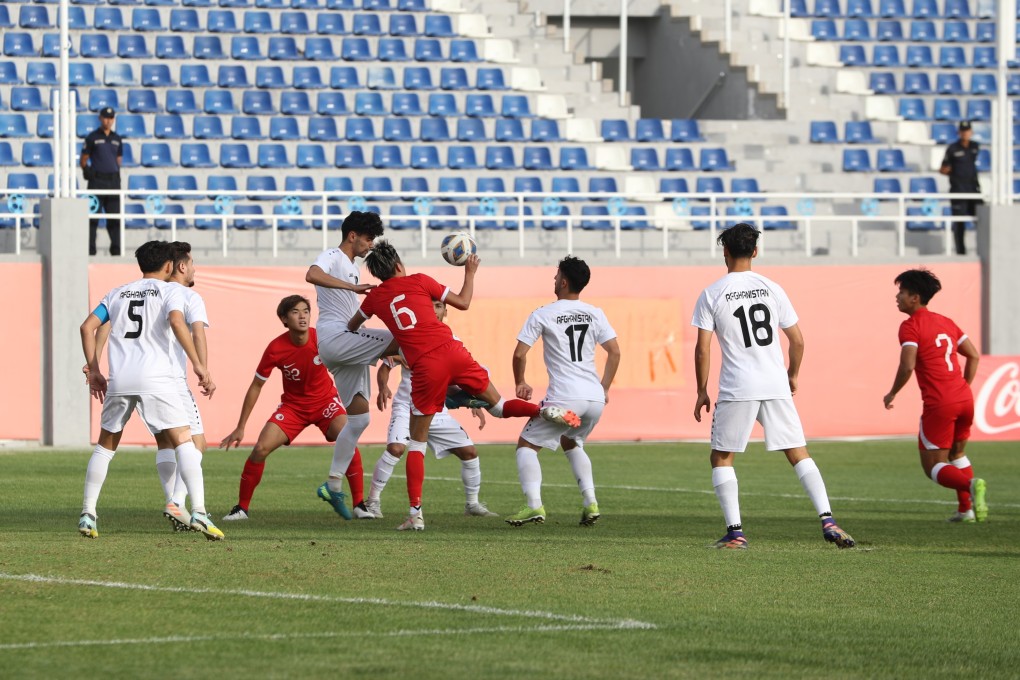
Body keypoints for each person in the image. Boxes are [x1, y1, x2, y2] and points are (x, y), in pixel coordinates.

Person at [349, 239, 579, 531]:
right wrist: (469, 273)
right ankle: (546, 410)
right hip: (453, 350)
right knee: (499, 406)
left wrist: (383, 321)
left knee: (417, 444)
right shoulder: (420, 280)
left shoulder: (374, 298)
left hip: (426, 366)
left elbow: (353, 326)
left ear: (378, 274)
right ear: (398, 266)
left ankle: (415, 514)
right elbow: (463, 302)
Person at [691, 223, 855, 550]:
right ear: (755, 251)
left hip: (739, 386)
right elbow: (797, 341)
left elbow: (703, 348)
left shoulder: (712, 292)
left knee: (721, 457)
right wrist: (792, 375)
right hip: (775, 382)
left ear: (724, 251)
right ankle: (828, 519)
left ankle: (735, 533)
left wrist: (701, 390)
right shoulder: (772, 289)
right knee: (797, 452)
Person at [79, 241, 222, 540]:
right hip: (158, 378)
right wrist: (198, 363)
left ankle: (88, 514)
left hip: (120, 380)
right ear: (169, 266)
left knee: (105, 447)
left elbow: (87, 327)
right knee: (185, 441)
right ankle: (198, 510)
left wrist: (94, 369)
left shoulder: (117, 292)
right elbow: (175, 320)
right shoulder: (172, 291)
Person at [219, 295, 368, 521]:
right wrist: (241, 427)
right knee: (260, 449)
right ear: (284, 319)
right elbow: (256, 386)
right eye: (295, 312)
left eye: (306, 311)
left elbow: (354, 352)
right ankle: (241, 509)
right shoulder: (276, 348)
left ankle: (360, 505)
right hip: (294, 408)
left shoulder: (322, 339)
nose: (302, 316)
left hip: (325, 402)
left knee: (348, 438)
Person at [505, 256, 621, 528]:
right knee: (572, 442)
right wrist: (603, 387)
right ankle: (590, 502)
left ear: (564, 281)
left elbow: (520, 353)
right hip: (593, 400)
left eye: (556, 275)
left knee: (526, 446)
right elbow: (614, 352)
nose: (554, 279)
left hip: (565, 398)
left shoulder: (543, 313)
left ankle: (534, 506)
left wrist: (520, 380)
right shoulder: (595, 312)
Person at [367, 300, 498, 526]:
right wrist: (383, 386)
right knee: (396, 449)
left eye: (438, 306)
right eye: (431, 306)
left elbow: (457, 379)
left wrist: (473, 402)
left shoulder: (452, 341)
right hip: (408, 408)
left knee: (469, 452)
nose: (435, 310)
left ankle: (472, 504)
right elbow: (388, 363)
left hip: (437, 409)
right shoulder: (411, 337)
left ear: (446, 311)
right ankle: (372, 501)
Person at [305, 211, 397, 520]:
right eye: (369, 238)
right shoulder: (332, 256)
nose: (371, 245)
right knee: (404, 337)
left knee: (359, 420)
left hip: (346, 343)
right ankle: (454, 391)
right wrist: (353, 290)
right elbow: (312, 275)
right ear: (352, 235)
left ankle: (332, 484)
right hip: (335, 336)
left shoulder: (354, 269)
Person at [883, 269, 987, 523]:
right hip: (964, 399)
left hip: (940, 403)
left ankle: (971, 485)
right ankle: (967, 510)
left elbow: (907, 366)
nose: (897, 297)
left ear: (915, 297)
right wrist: (963, 387)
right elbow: (973, 355)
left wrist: (892, 392)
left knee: (933, 467)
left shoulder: (910, 327)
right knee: (956, 454)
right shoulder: (946, 322)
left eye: (902, 292)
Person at [80, 106, 123, 257]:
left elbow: (118, 160)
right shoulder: (92, 137)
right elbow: (84, 160)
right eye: (105, 117)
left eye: (111, 118)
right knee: (92, 219)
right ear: (100, 118)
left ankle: (116, 251)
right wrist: (90, 174)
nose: (108, 120)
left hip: (113, 183)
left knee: (114, 219)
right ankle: (90, 251)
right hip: (97, 182)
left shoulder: (117, 139)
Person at [939, 120, 980, 256]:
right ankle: (961, 252)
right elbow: (943, 168)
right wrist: (955, 173)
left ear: (971, 132)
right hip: (958, 191)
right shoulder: (952, 148)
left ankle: (983, 249)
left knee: (983, 220)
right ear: (959, 133)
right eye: (963, 131)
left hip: (974, 190)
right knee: (959, 223)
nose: (965, 133)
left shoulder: (975, 147)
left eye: (967, 130)